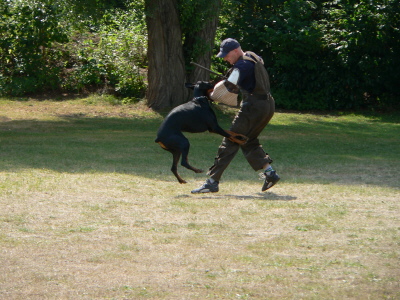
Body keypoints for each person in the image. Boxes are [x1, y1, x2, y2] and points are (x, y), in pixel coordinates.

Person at [191, 38, 280, 193]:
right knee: (247, 140)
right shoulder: (253, 57)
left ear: (235, 51)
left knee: (230, 139)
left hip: (253, 107)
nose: (225, 58)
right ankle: (270, 173)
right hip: (267, 105)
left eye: (226, 55)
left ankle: (212, 181)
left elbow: (228, 87)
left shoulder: (241, 65)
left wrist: (210, 93)